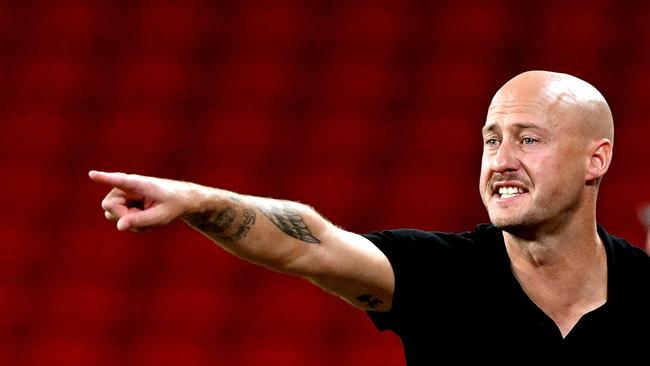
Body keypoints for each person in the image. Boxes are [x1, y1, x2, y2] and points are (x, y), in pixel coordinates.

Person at [90, 70, 648, 362]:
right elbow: (310, 244)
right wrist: (197, 200)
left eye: (528, 140)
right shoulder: (442, 274)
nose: (501, 162)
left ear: (594, 160)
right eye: (490, 140)